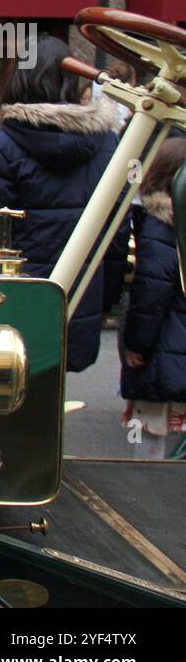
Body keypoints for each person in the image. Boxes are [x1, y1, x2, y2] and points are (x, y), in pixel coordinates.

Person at [0, 35, 126, 373]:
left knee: (18, 379)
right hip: (81, 285)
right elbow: (116, 230)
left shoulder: (3, 144)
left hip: (18, 290)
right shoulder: (106, 143)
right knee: (58, 380)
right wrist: (108, 293)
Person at [120, 135, 186, 458]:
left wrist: (136, 344)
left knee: (150, 433)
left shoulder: (161, 225)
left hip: (163, 345)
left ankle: (145, 495)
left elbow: (151, 291)